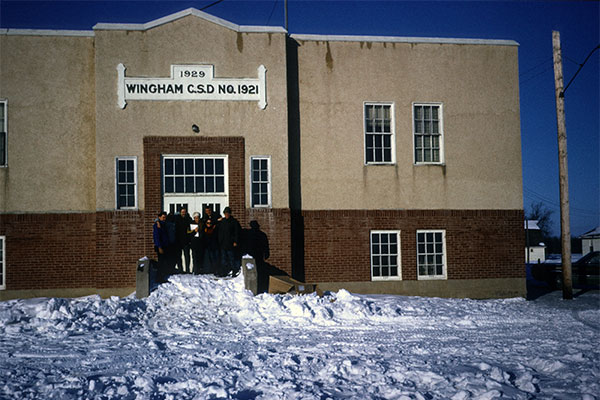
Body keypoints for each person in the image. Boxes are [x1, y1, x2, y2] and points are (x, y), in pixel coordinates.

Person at [217, 206, 241, 277]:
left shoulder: (234, 222)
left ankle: (234, 271)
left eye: (228, 213)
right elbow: (219, 231)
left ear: (230, 214)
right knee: (223, 259)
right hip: (223, 243)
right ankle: (224, 272)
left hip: (230, 243)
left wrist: (235, 241)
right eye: (225, 213)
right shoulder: (222, 221)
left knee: (231, 258)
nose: (226, 215)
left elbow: (236, 232)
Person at [153, 211, 170, 283]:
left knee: (164, 262)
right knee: (161, 263)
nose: (164, 218)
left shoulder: (163, 224)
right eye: (163, 217)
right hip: (160, 246)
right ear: (159, 217)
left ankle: (162, 276)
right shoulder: (157, 225)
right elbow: (156, 237)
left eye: (165, 217)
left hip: (165, 245)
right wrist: (159, 247)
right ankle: (159, 278)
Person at [175, 208, 193, 273]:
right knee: (178, 256)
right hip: (178, 241)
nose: (183, 213)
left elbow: (192, 228)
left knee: (187, 256)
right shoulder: (177, 219)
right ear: (180, 212)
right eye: (182, 212)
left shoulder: (188, 219)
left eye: (184, 212)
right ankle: (180, 269)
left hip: (186, 241)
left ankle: (187, 269)